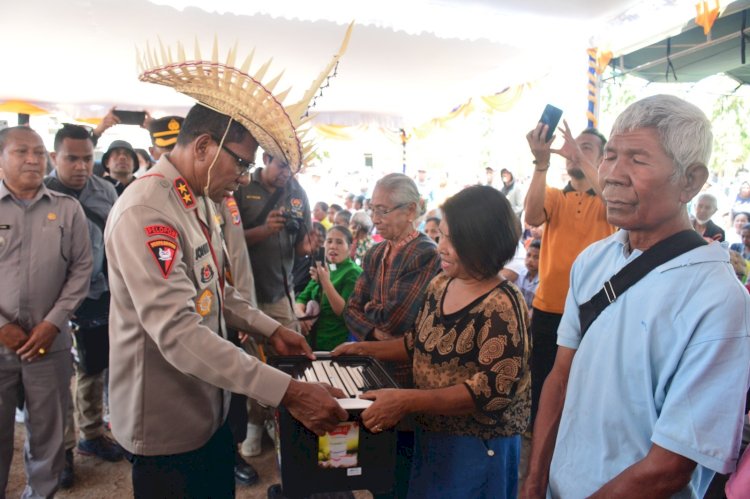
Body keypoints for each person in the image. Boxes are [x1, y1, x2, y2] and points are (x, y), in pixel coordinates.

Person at [106, 34, 352, 496]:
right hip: (167, 418)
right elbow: (178, 333)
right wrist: (288, 391)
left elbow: (217, 290)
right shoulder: (149, 211)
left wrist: (269, 327)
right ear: (203, 147)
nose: (241, 179)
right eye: (239, 165)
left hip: (208, 402)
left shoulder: (198, 200)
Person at [521, 95, 750, 498]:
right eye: (610, 156)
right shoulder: (594, 260)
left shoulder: (718, 299)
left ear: (690, 181)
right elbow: (560, 378)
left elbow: (670, 466)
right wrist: (535, 482)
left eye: (638, 160)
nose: (611, 175)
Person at [335, 185, 530, 498]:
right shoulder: (441, 284)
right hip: (433, 435)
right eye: (441, 235)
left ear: (483, 242)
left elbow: (491, 391)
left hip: (477, 447)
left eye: (453, 240)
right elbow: (416, 344)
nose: (441, 247)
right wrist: (362, 349)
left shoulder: (502, 304)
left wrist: (408, 400)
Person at [0, 126, 93, 498]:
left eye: (39, 152)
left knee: (48, 437)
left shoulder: (66, 209)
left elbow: (82, 270)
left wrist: (54, 323)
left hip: (47, 344)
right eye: (22, 152)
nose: (33, 159)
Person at [344, 172, 441, 498]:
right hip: (375, 370)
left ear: (410, 210)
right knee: (371, 460)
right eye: (372, 209)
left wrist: (369, 317)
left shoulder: (425, 253)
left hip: (406, 378)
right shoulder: (375, 253)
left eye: (383, 210)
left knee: (400, 466)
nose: (375, 219)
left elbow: (401, 319)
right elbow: (350, 310)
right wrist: (374, 329)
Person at [45, 124, 122, 489]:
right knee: (54, 379)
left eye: (87, 158)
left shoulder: (105, 191)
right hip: (51, 301)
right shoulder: (40, 193)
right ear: (54, 157)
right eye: (71, 158)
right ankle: (61, 450)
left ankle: (91, 434)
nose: (80, 166)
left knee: (94, 368)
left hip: (100, 295)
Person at [523, 120, 614, 423]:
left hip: (596, 309)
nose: (573, 151)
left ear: (602, 159)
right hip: (549, 305)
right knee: (543, 384)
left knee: (584, 386)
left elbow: (612, 199)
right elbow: (533, 216)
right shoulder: (555, 195)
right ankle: (540, 453)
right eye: (572, 146)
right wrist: (541, 163)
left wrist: (583, 159)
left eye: (585, 147)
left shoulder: (608, 200)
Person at [295, 225, 362, 351]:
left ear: (350, 247)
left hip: (335, 346)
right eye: (329, 241)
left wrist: (325, 281)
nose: (332, 246)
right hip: (311, 343)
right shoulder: (325, 268)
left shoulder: (353, 272)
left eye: (339, 242)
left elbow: (344, 312)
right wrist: (302, 318)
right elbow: (301, 299)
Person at [515, 238, 540, 311]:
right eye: (528, 255)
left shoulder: (544, 281)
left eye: (536, 257)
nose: (530, 260)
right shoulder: (519, 274)